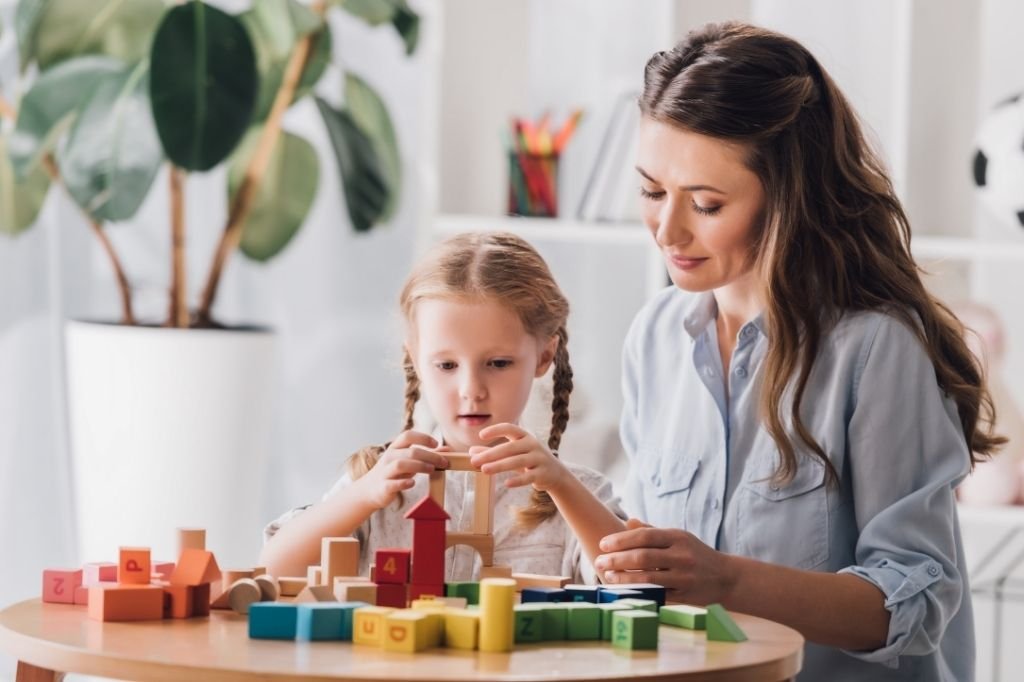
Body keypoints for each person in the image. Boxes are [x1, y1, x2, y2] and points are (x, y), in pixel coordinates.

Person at [592, 21, 1003, 681]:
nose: (667, 229)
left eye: (705, 202)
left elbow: (918, 604)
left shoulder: (874, 349)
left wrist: (727, 579)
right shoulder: (656, 335)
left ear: (785, 196)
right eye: (651, 191)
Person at [260, 231, 626, 583]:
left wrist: (560, 484)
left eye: (498, 363)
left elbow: (631, 581)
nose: (471, 390)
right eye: (447, 366)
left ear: (544, 356)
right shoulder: (378, 481)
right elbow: (273, 570)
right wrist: (365, 494)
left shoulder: (578, 493)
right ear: (415, 360)